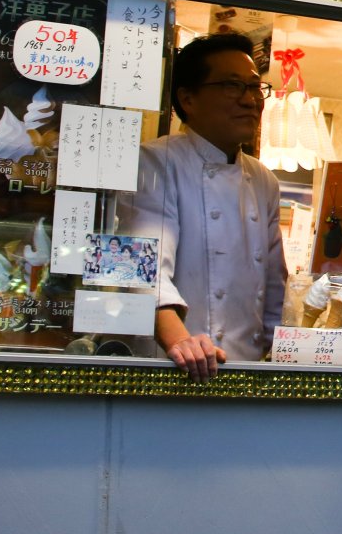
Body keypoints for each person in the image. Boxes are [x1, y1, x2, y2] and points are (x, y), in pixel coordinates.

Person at [117, 32, 286, 379]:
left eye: (255, 87)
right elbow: (136, 268)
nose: (250, 100)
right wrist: (180, 342)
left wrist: (281, 350)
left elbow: (274, 286)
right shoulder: (153, 161)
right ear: (188, 98)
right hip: (172, 369)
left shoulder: (263, 180)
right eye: (232, 85)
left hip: (245, 373)